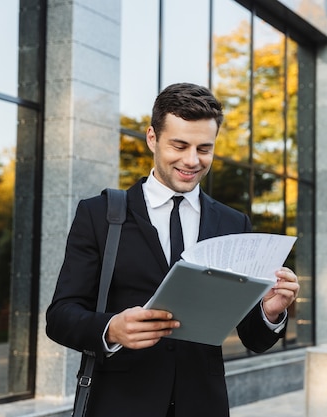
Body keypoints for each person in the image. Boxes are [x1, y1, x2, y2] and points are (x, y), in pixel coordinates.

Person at [45, 82, 300, 417]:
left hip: (203, 406)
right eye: (179, 145)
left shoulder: (233, 222)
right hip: (120, 405)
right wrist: (111, 329)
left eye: (204, 149)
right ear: (152, 138)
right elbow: (60, 315)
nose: (192, 160)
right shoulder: (99, 214)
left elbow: (253, 338)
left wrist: (271, 311)